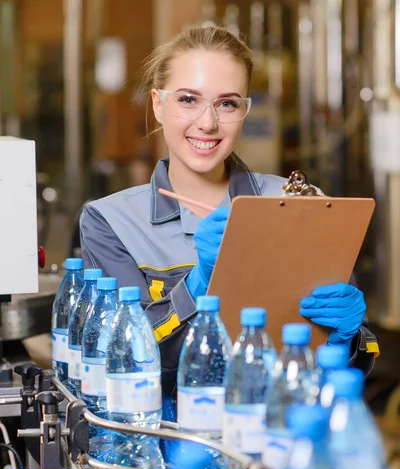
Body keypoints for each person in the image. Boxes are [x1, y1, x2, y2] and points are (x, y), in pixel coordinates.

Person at [80, 26, 378, 417]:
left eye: (227, 104)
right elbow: (124, 368)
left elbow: (343, 378)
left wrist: (344, 339)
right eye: (188, 99)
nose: (207, 123)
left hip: (283, 442)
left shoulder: (300, 203)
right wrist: (200, 283)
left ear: (244, 111)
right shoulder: (112, 221)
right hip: (164, 453)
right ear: (157, 104)